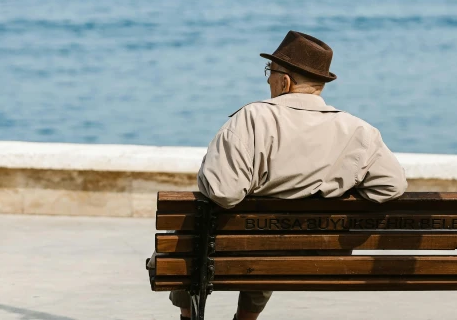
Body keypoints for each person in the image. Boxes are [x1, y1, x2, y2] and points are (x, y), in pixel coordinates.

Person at [162, 30, 408, 320]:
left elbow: (225, 193)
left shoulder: (252, 118)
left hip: (242, 250)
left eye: (270, 71)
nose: (268, 79)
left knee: (193, 233)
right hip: (315, 254)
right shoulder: (358, 130)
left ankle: (189, 315)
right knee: (266, 241)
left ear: (285, 80)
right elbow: (392, 186)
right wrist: (338, 188)